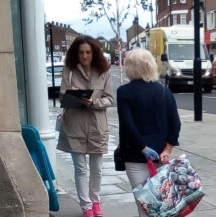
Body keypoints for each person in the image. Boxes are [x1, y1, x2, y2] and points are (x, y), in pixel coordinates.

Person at [117, 48, 181, 217]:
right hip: (161, 156)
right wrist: (167, 150)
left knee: (144, 206)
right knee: (163, 204)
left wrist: (142, 147)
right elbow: (175, 124)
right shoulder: (164, 91)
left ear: (131, 67)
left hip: (135, 156)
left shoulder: (124, 92)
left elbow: (127, 126)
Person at [57, 35, 113, 217]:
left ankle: (96, 201)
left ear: (94, 52)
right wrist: (72, 95)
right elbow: (61, 98)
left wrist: (94, 102)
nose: (85, 56)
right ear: (76, 53)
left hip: (97, 126)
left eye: (88, 52)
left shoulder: (104, 70)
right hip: (75, 126)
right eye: (81, 52)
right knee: (80, 168)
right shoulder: (69, 70)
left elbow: (110, 99)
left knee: (97, 168)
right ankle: (86, 206)